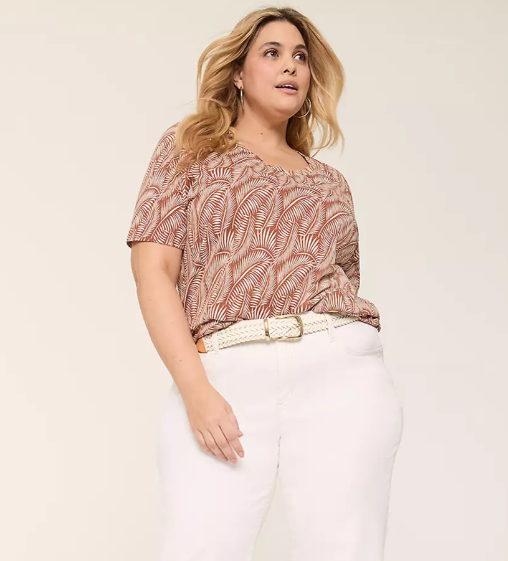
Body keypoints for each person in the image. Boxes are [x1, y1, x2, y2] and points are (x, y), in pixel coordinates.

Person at [125, 7, 403, 561]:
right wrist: (197, 391)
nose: (290, 67)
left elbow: (343, 283)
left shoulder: (330, 184)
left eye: (300, 57)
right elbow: (152, 270)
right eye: (271, 53)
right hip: (226, 371)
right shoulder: (188, 150)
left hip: (341, 373)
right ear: (238, 72)